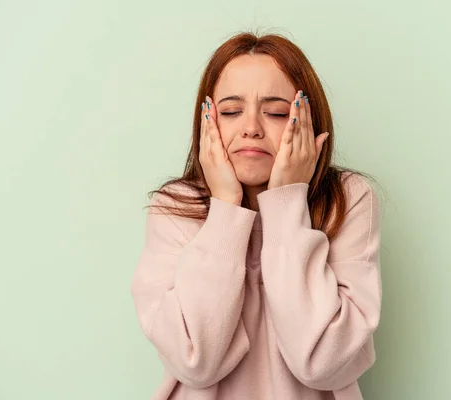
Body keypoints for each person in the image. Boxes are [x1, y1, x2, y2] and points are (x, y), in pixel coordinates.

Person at [130, 32, 382, 400]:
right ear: (208, 122)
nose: (251, 127)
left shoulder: (348, 200)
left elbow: (323, 362)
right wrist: (226, 211)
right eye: (231, 111)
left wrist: (285, 204)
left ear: (309, 119)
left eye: (277, 112)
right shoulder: (174, 207)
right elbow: (196, 361)